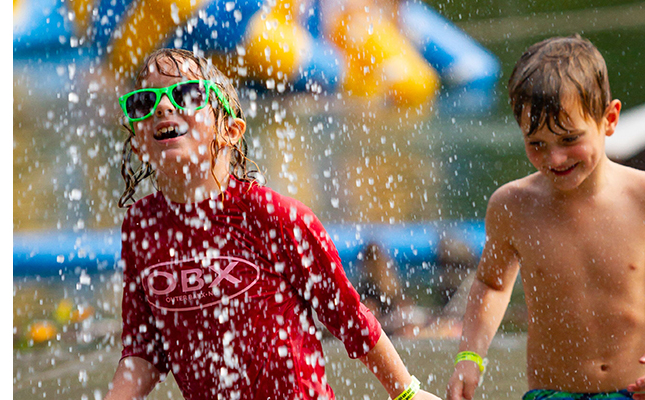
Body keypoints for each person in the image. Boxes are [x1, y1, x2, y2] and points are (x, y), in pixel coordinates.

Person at [103, 48, 439, 400]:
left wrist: (407, 393)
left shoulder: (272, 216)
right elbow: (144, 349)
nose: (163, 107)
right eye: (143, 101)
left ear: (230, 130)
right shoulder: (141, 227)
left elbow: (346, 313)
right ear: (138, 143)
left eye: (187, 95)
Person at [446, 35, 645, 400]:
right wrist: (470, 357)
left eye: (569, 139)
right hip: (552, 392)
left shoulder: (641, 199)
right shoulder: (514, 206)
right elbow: (492, 285)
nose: (554, 159)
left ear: (609, 119)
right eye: (536, 143)